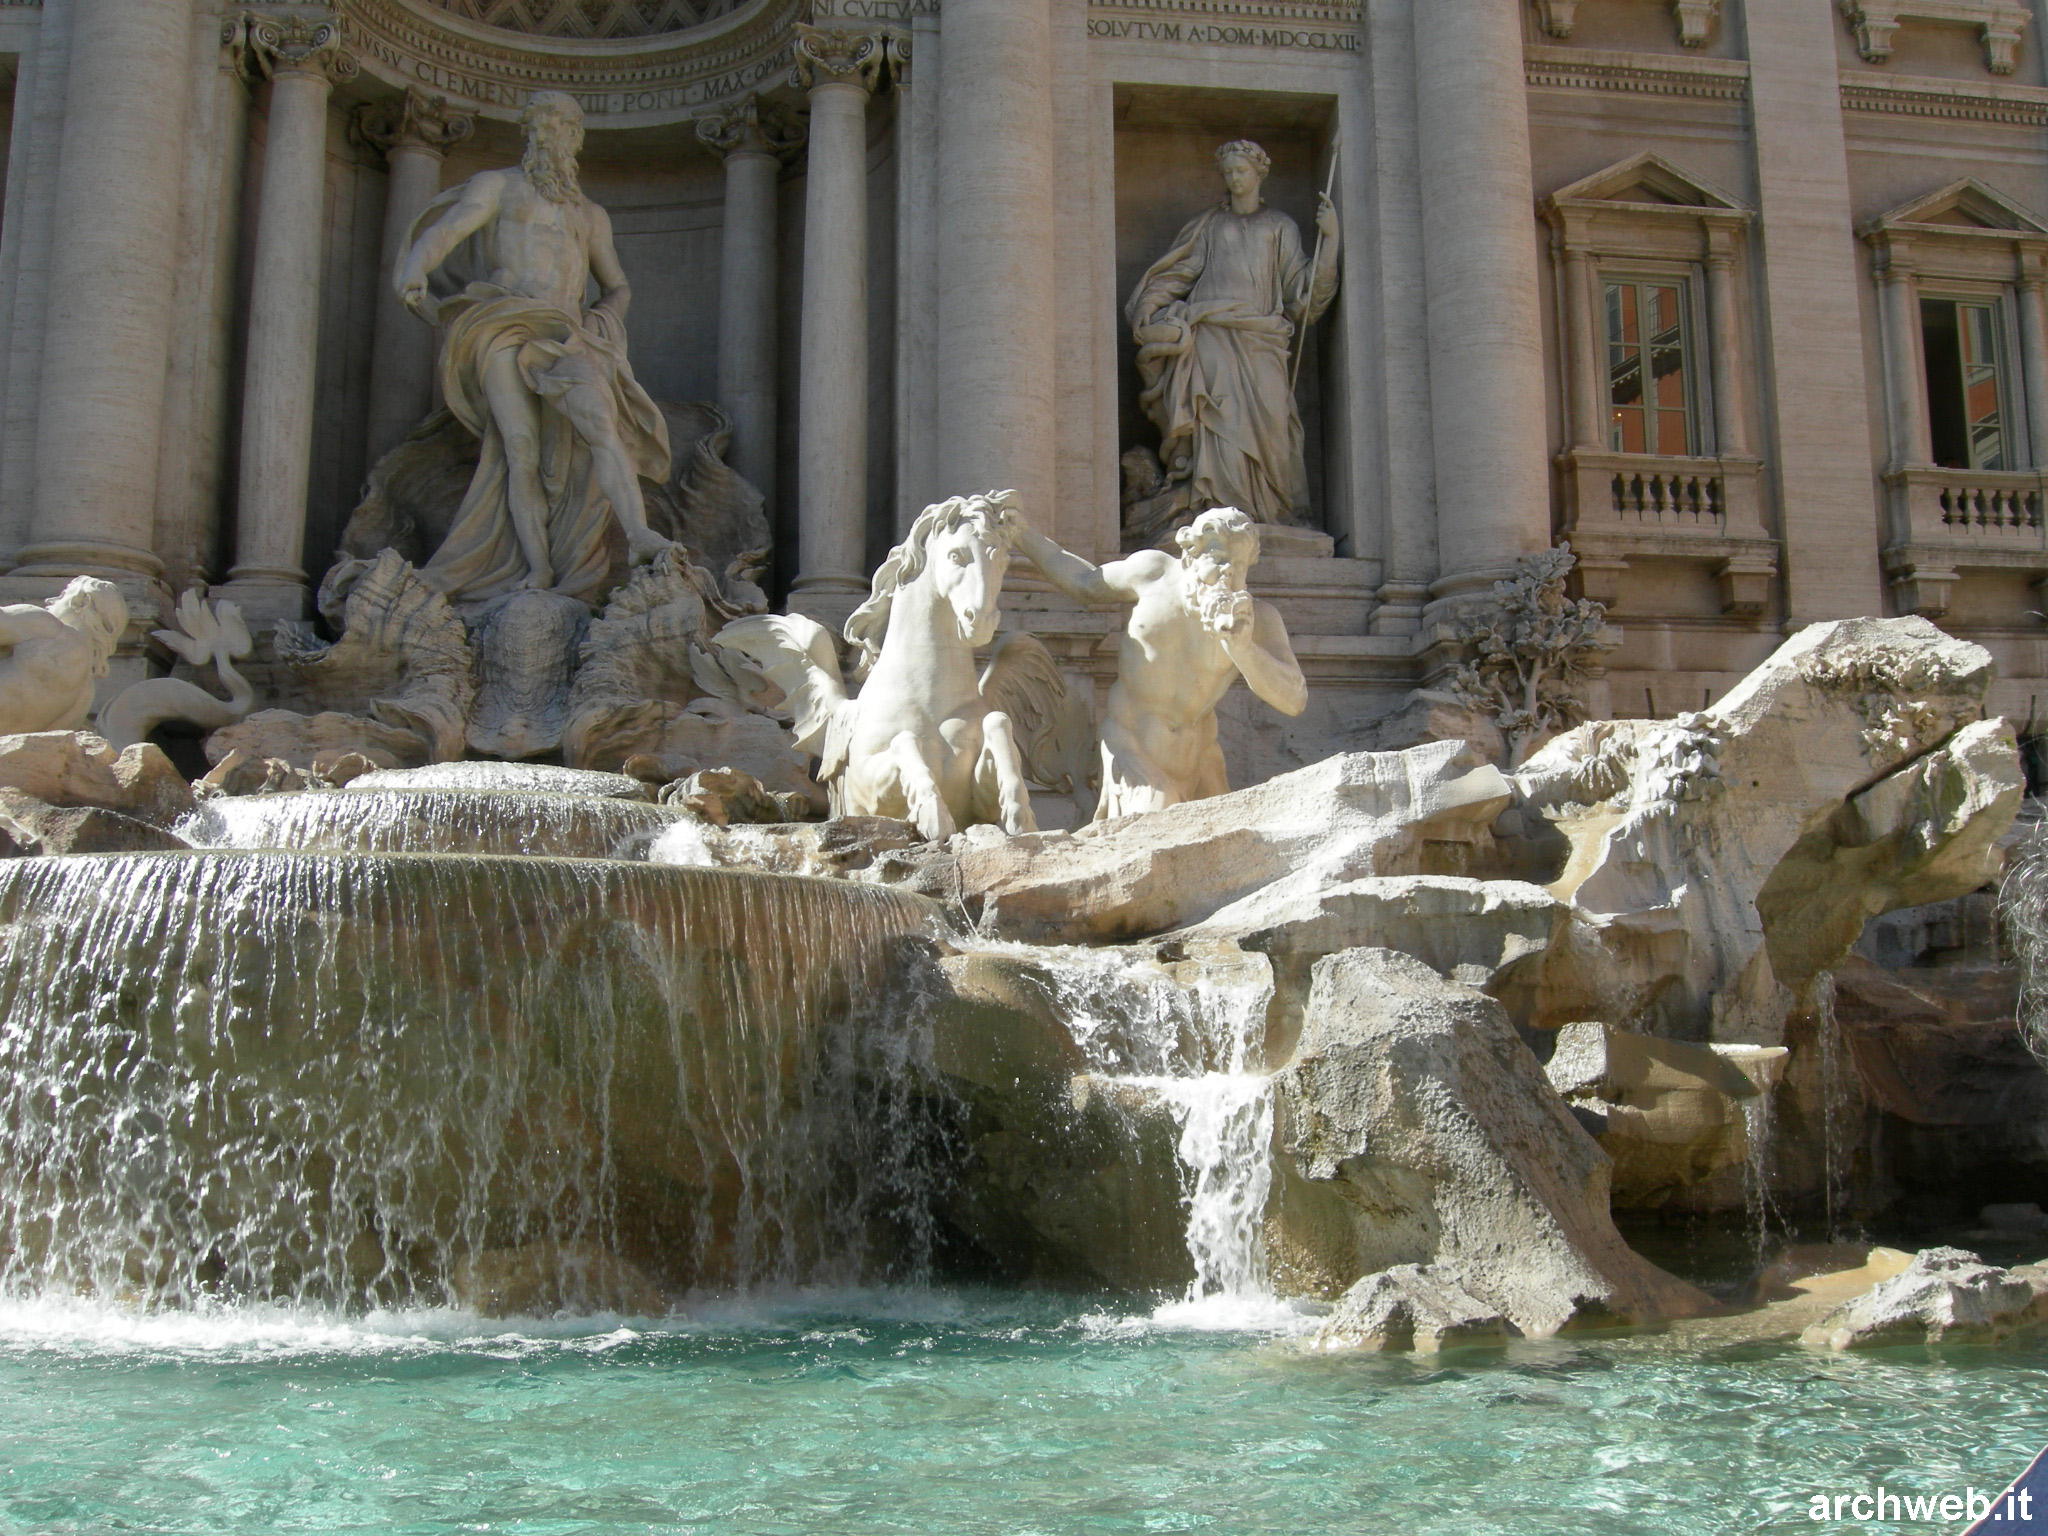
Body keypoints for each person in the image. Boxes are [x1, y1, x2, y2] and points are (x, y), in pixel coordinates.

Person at [396, 90, 671, 606]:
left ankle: (638, 535)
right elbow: (449, 229)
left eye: (564, 127)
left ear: (576, 138)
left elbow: (618, 285)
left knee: (601, 425)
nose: (553, 136)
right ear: (530, 134)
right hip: (501, 322)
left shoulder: (590, 215)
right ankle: (539, 568)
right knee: (518, 446)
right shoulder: (497, 187)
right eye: (543, 126)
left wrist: (603, 319)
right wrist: (416, 266)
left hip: (567, 333)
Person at [1000, 505, 1306, 818]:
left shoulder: (1258, 620)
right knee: (1158, 820)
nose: (1229, 571)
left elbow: (1294, 700)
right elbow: (1084, 582)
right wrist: (1022, 534)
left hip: (1200, 758)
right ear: (1191, 554)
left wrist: (1242, 648)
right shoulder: (1154, 573)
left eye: (1239, 564)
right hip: (1131, 746)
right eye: (1219, 557)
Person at [1125, 139, 1338, 544]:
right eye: (1228, 173)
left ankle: (1272, 509)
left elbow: (1304, 295)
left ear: (1260, 173)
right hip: (1211, 332)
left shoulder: (1280, 226)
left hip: (1262, 337)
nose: (1234, 179)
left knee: (1274, 420)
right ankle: (1215, 505)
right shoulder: (1210, 226)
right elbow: (1178, 274)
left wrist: (1330, 242)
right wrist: (1148, 308)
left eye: (1242, 171)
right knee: (1216, 417)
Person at [0, 576, 128, 734]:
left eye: (63, 595)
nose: (50, 600)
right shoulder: (85, 694)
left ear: (82, 602)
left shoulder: (47, 626)